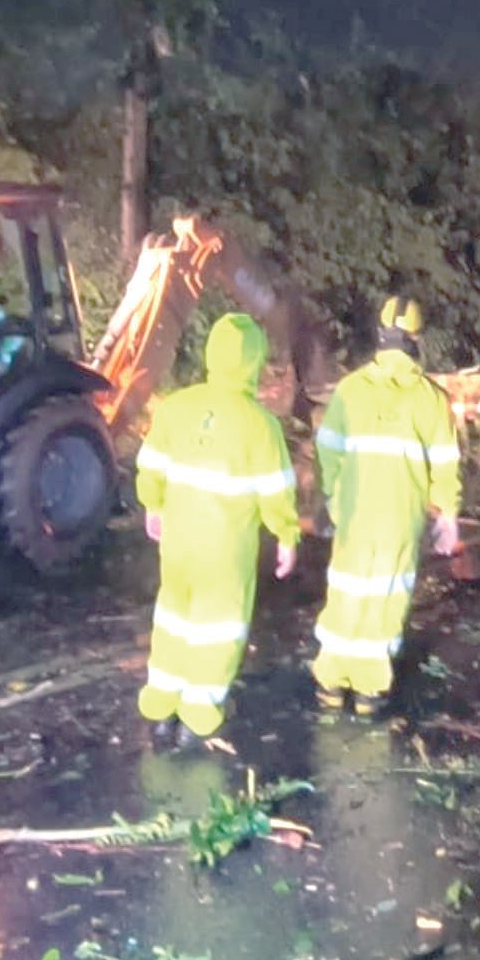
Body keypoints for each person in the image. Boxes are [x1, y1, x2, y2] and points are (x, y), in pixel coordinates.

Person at [135, 313, 300, 741]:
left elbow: (151, 465)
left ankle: (160, 707)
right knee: (219, 629)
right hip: (226, 551)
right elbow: (277, 492)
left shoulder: (176, 407)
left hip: (178, 543)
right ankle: (198, 716)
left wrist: (153, 505)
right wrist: (286, 536)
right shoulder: (260, 425)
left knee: (173, 618)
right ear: (256, 363)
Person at [312, 294, 462, 713]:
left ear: (380, 335)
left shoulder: (351, 390)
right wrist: (448, 515)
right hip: (400, 518)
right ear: (416, 339)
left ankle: (330, 682)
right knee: (386, 598)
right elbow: (445, 465)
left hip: (353, 514)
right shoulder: (430, 399)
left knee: (345, 592)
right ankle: (369, 690)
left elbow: (327, 452)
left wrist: (328, 499)